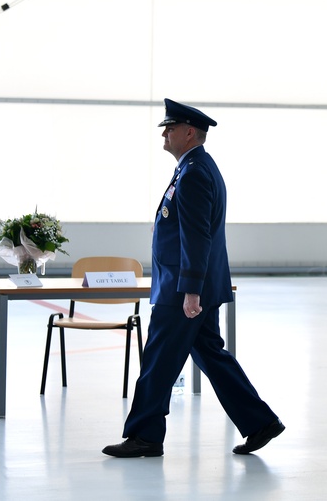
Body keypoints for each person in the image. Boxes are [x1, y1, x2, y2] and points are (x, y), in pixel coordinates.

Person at [104, 99, 283, 458]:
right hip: (190, 286)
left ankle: (145, 435)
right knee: (211, 355)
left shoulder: (196, 172)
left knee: (157, 359)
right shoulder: (193, 168)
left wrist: (189, 290)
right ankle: (260, 422)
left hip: (183, 290)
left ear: (189, 132)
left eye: (170, 129)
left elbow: (197, 236)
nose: (164, 135)